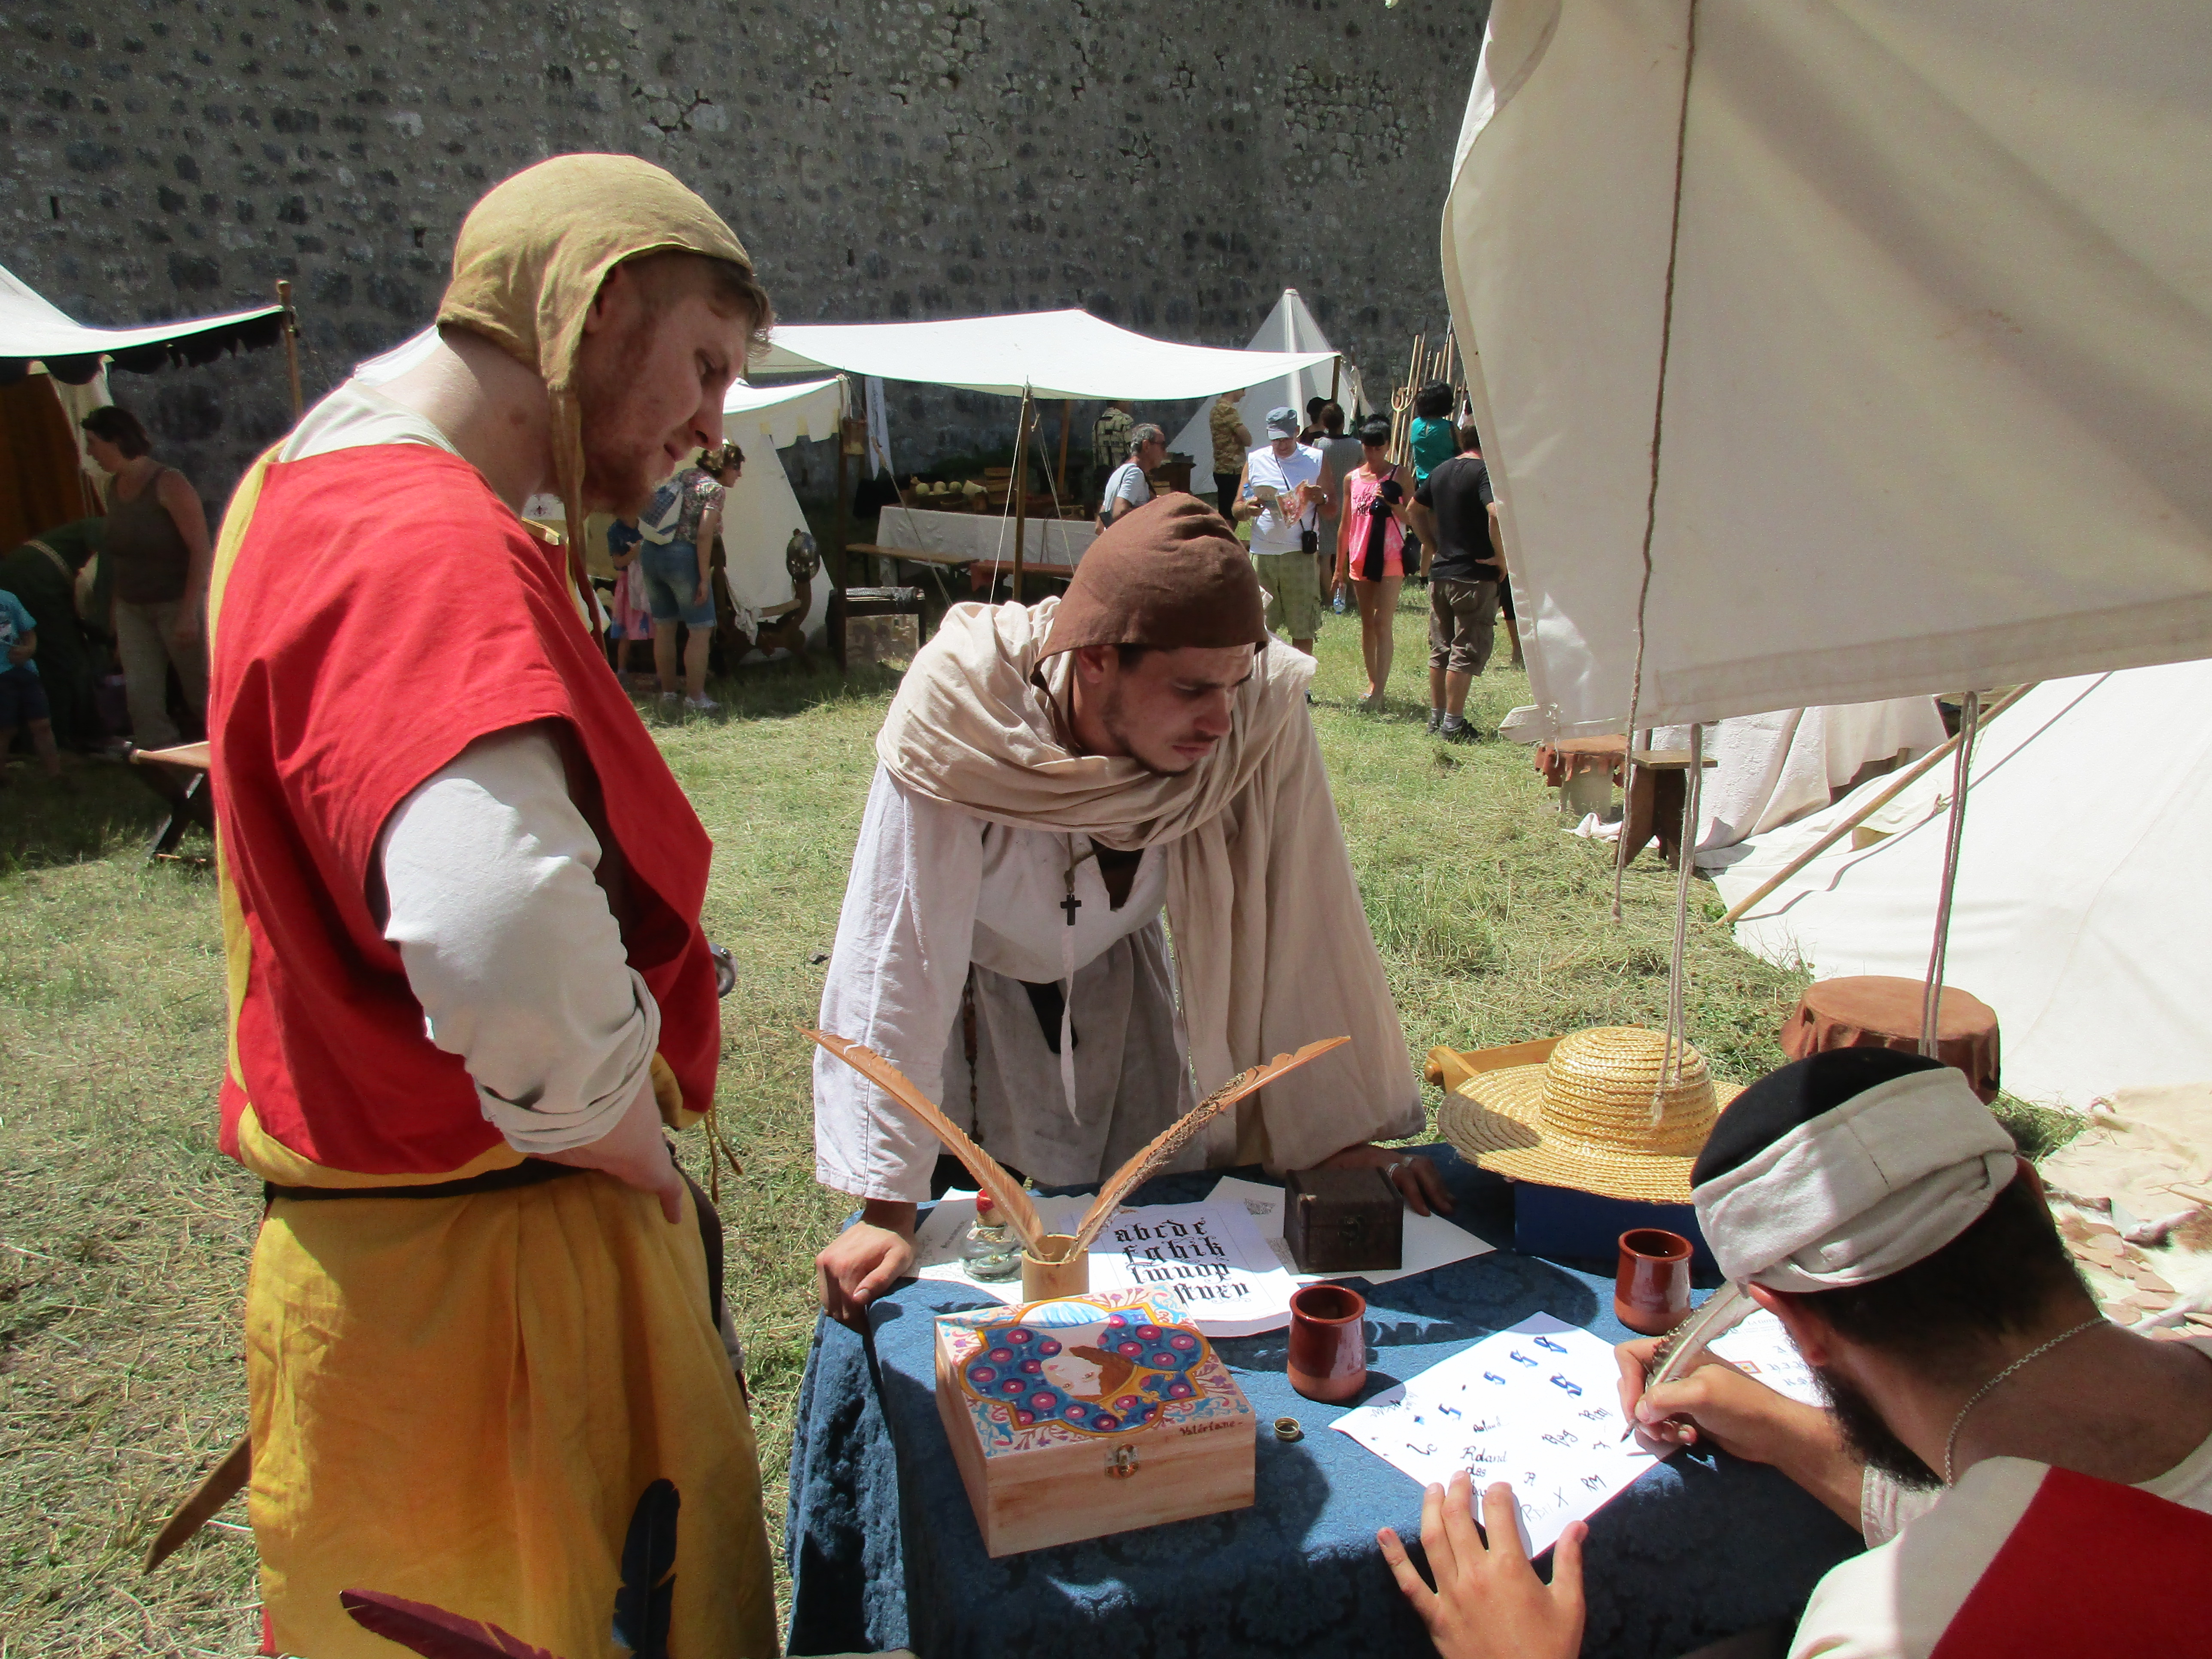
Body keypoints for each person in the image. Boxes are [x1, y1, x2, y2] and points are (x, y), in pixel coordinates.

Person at [202, 155, 780, 1658]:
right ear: (598, 307)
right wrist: (624, 1132)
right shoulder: (418, 538)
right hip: (498, 1303)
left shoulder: (291, 488)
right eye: (703, 362)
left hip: (400, 1294)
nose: (713, 423)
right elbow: (493, 922)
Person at [811, 495, 1439, 1323]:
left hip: (1122, 984)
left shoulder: (1248, 714)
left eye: (1232, 685)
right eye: (1190, 688)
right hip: (976, 1006)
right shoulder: (964, 713)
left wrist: (1331, 1133)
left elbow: (1305, 916)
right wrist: (887, 1208)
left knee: (1131, 1251)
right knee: (995, 1270)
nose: (1220, 719)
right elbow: (899, 952)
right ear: (1097, 658)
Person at [1379, 1049, 2212, 1659]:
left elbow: (2016, 1551)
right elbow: (2055, 1517)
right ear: (2028, 1190)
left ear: (1789, 1326)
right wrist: (1784, 1431)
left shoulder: (1895, 1627)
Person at [80, 405, 210, 748]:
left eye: (93, 443)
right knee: (141, 697)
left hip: (176, 603)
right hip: (132, 608)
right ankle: (168, 768)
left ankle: (235, 759)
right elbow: (119, 556)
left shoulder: (169, 483)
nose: (90, 453)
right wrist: (114, 613)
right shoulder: (112, 487)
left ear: (116, 440)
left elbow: (200, 549)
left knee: (202, 693)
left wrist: (189, 612)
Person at [638, 439, 740, 715]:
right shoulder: (714, 490)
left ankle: (669, 694)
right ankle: (695, 698)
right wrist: (704, 578)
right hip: (683, 556)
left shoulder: (685, 476)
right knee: (700, 629)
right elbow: (705, 533)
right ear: (724, 465)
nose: (739, 474)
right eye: (737, 467)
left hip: (652, 552)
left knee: (665, 627)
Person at [1410, 424, 1498, 741]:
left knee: (1441, 649)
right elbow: (1495, 512)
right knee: (1465, 650)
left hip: (1441, 573)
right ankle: (1453, 724)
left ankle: (1437, 719)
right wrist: (1501, 557)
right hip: (1474, 575)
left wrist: (1432, 546)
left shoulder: (1441, 470)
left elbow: (1413, 509)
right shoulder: (1484, 472)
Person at [0, 517, 107, 751]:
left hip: (27, 575)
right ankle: (75, 735)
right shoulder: (106, 529)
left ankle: (58, 736)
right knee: (65, 662)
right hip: (38, 581)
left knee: (45, 661)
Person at [1230, 406, 1324, 657]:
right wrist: (1247, 508)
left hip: (1299, 553)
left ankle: (1300, 679)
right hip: (1263, 554)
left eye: (1286, 439)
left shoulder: (1315, 459)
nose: (1281, 445)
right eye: (1275, 439)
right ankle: (1261, 677)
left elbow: (1333, 507)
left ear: (1297, 432)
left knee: (1302, 627)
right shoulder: (1256, 460)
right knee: (1259, 627)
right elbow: (1236, 508)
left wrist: (1320, 498)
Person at [1336, 416, 1412, 709]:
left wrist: (1394, 505)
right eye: (1368, 448)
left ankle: (1380, 692)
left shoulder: (1400, 474)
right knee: (1368, 622)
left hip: (1391, 555)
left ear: (1388, 446)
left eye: (1378, 449)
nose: (1373, 454)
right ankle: (1373, 684)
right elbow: (1346, 524)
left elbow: (1413, 517)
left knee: (1383, 622)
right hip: (1360, 555)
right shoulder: (1352, 479)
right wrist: (1338, 568)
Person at [0, 584, 61, 783]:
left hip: (24, 671)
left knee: (42, 724)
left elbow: (29, 632)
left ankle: (56, 775)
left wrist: (28, 650)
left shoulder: (8, 599)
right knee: (5, 729)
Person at [1313, 402, 1361, 615]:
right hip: (1350, 502)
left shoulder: (1318, 446)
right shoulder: (1357, 446)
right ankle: (1350, 596)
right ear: (1343, 422)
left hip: (1326, 502)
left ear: (1324, 423)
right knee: (1348, 552)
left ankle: (1329, 597)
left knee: (1325, 554)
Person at [604, 513, 653, 677]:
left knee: (656, 627)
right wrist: (634, 553)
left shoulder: (649, 525)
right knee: (625, 629)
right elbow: (618, 563)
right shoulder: (615, 531)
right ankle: (622, 671)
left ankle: (658, 671)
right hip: (627, 582)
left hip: (648, 579)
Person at [1097, 423, 1165, 529]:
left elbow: (1099, 527)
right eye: (1163, 446)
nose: (1165, 453)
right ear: (1146, 446)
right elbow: (1120, 513)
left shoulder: (1119, 473)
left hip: (1113, 538)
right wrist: (1153, 511)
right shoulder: (1135, 474)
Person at [1209, 389, 1250, 519]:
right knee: (1231, 516)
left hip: (1221, 468)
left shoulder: (1215, 409)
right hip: (1231, 469)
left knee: (1227, 512)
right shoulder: (1228, 410)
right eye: (1243, 390)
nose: (1244, 394)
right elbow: (1248, 440)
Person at [1091, 398, 1135, 498]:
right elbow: (1132, 451)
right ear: (1120, 401)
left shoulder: (1098, 423)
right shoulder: (1125, 421)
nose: (1130, 403)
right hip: (1124, 475)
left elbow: (1096, 453)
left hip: (1104, 476)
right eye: (1127, 400)